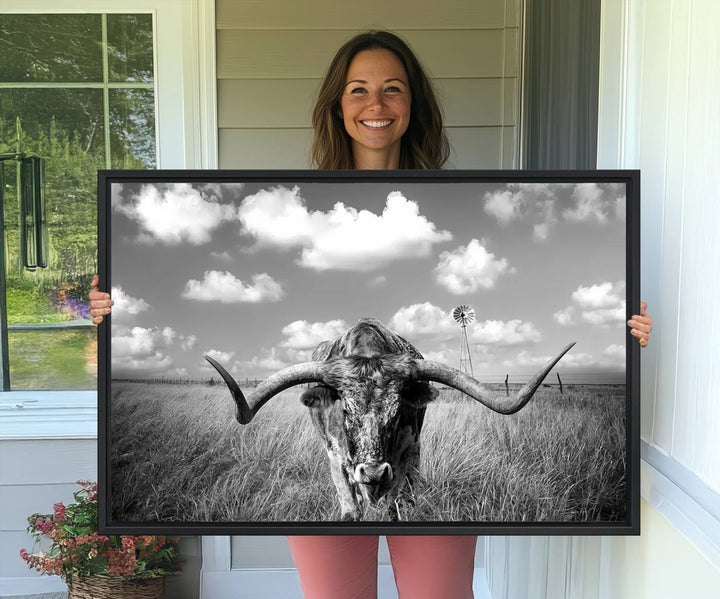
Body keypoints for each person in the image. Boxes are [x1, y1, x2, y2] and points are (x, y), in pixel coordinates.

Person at [89, 30, 652, 599]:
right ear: (338, 104)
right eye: (358, 90)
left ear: (414, 105)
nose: (376, 105)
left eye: (393, 89)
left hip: (398, 454)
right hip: (344, 457)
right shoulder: (285, 196)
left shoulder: (462, 199)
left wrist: (625, 330)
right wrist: (109, 312)